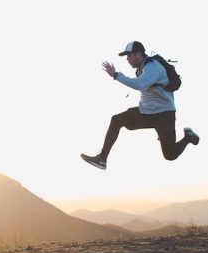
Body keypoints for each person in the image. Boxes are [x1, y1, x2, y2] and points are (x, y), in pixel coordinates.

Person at [81, 41, 199, 170]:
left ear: (138, 54)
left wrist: (116, 75)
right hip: (146, 113)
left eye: (129, 55)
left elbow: (139, 85)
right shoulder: (141, 68)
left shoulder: (153, 67)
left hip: (164, 116)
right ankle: (102, 159)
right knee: (117, 120)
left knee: (170, 155)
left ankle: (188, 137)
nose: (127, 59)